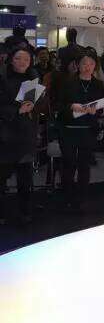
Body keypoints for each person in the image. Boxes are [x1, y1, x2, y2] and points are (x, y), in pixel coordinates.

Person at [0, 48, 45, 224]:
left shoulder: (33, 78)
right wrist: (17, 110)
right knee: (2, 177)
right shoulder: (3, 78)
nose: (22, 62)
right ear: (11, 60)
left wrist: (38, 101)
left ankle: (25, 212)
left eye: (26, 59)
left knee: (25, 178)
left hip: (27, 134)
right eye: (18, 58)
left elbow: (41, 105)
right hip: (6, 135)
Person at [59, 52, 104, 211]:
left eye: (91, 64)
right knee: (69, 164)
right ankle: (67, 197)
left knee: (84, 165)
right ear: (77, 65)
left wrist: (96, 110)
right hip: (69, 128)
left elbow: (102, 104)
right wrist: (71, 106)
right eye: (84, 63)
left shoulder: (98, 84)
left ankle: (82, 199)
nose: (88, 67)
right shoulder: (68, 82)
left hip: (88, 129)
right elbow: (58, 104)